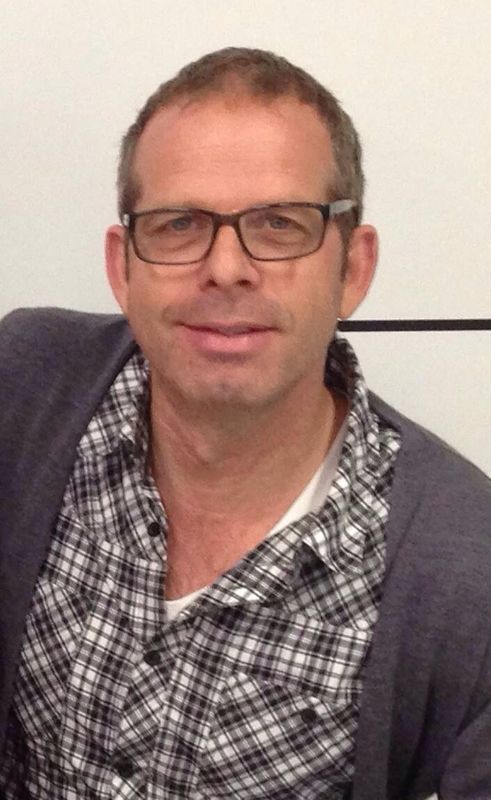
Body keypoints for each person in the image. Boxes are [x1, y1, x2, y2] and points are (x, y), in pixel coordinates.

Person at [0, 47, 490, 800]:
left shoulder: (468, 577)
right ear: (122, 267)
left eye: (279, 223)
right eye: (178, 223)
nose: (226, 267)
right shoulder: (25, 389)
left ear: (352, 269)